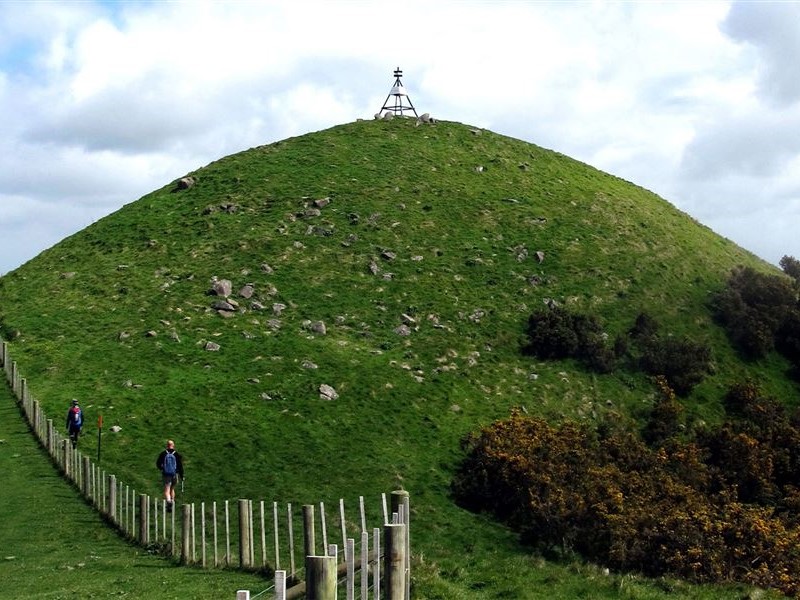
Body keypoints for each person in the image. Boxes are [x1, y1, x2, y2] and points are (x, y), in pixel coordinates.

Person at [155, 439, 184, 512]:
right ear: (173, 445)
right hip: (175, 474)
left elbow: (158, 464)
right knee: (172, 488)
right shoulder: (177, 454)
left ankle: (168, 502)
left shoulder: (163, 453)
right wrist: (182, 476)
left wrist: (162, 468)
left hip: (166, 474)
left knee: (167, 490)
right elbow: (180, 466)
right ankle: (172, 502)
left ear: (167, 446)